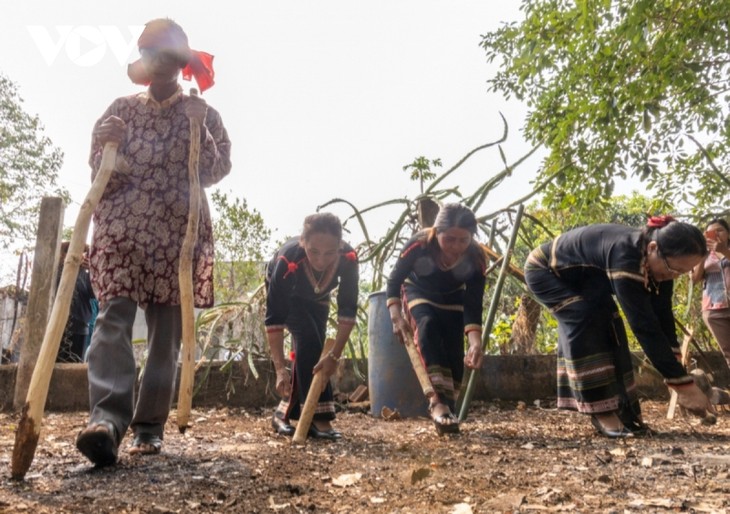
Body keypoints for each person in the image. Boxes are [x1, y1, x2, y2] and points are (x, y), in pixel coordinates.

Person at [75, 18, 231, 466]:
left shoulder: (203, 112)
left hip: (177, 235)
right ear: (145, 62)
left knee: (165, 335)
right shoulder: (120, 110)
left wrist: (199, 130)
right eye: (151, 55)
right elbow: (100, 172)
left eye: (166, 56)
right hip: (122, 230)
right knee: (113, 319)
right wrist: (110, 147)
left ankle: (148, 425)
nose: (158, 63)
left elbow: (215, 171)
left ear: (178, 64)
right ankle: (106, 421)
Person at [524, 216, 713, 438]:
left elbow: (662, 316)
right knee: (585, 319)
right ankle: (601, 411)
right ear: (653, 248)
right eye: (673, 269)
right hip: (545, 272)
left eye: (682, 273)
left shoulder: (660, 265)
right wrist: (683, 386)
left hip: (589, 279)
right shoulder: (626, 255)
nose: (673, 275)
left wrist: (678, 370)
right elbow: (643, 325)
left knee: (612, 325)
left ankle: (625, 412)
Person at [386, 203, 487, 435]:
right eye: (449, 239)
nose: (456, 247)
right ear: (437, 232)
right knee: (427, 327)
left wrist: (475, 342)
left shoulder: (476, 258)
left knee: (453, 349)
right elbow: (393, 281)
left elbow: (473, 304)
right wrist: (396, 317)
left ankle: (447, 411)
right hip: (418, 292)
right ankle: (437, 403)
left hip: (453, 299)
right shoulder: (419, 245)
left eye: (464, 240)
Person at [265, 213, 359, 440]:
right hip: (289, 295)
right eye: (313, 251)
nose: (320, 260)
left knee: (313, 350)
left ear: (339, 246)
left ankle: (282, 414)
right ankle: (318, 417)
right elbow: (274, 319)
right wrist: (279, 370)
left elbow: (347, 310)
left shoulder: (348, 259)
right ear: (302, 243)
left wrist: (334, 356)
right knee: (308, 339)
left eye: (329, 253)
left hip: (319, 296)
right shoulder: (287, 261)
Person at [691, 218, 730, 372]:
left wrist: (724, 251)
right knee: (728, 352)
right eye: (711, 232)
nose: (716, 234)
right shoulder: (702, 254)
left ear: (728, 233)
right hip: (714, 309)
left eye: (719, 230)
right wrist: (703, 255)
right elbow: (694, 279)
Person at [56, 242, 96, 363]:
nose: (82, 256)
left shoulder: (84, 273)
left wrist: (92, 271)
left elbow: (93, 293)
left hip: (81, 327)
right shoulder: (58, 270)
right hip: (60, 326)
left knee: (76, 362)